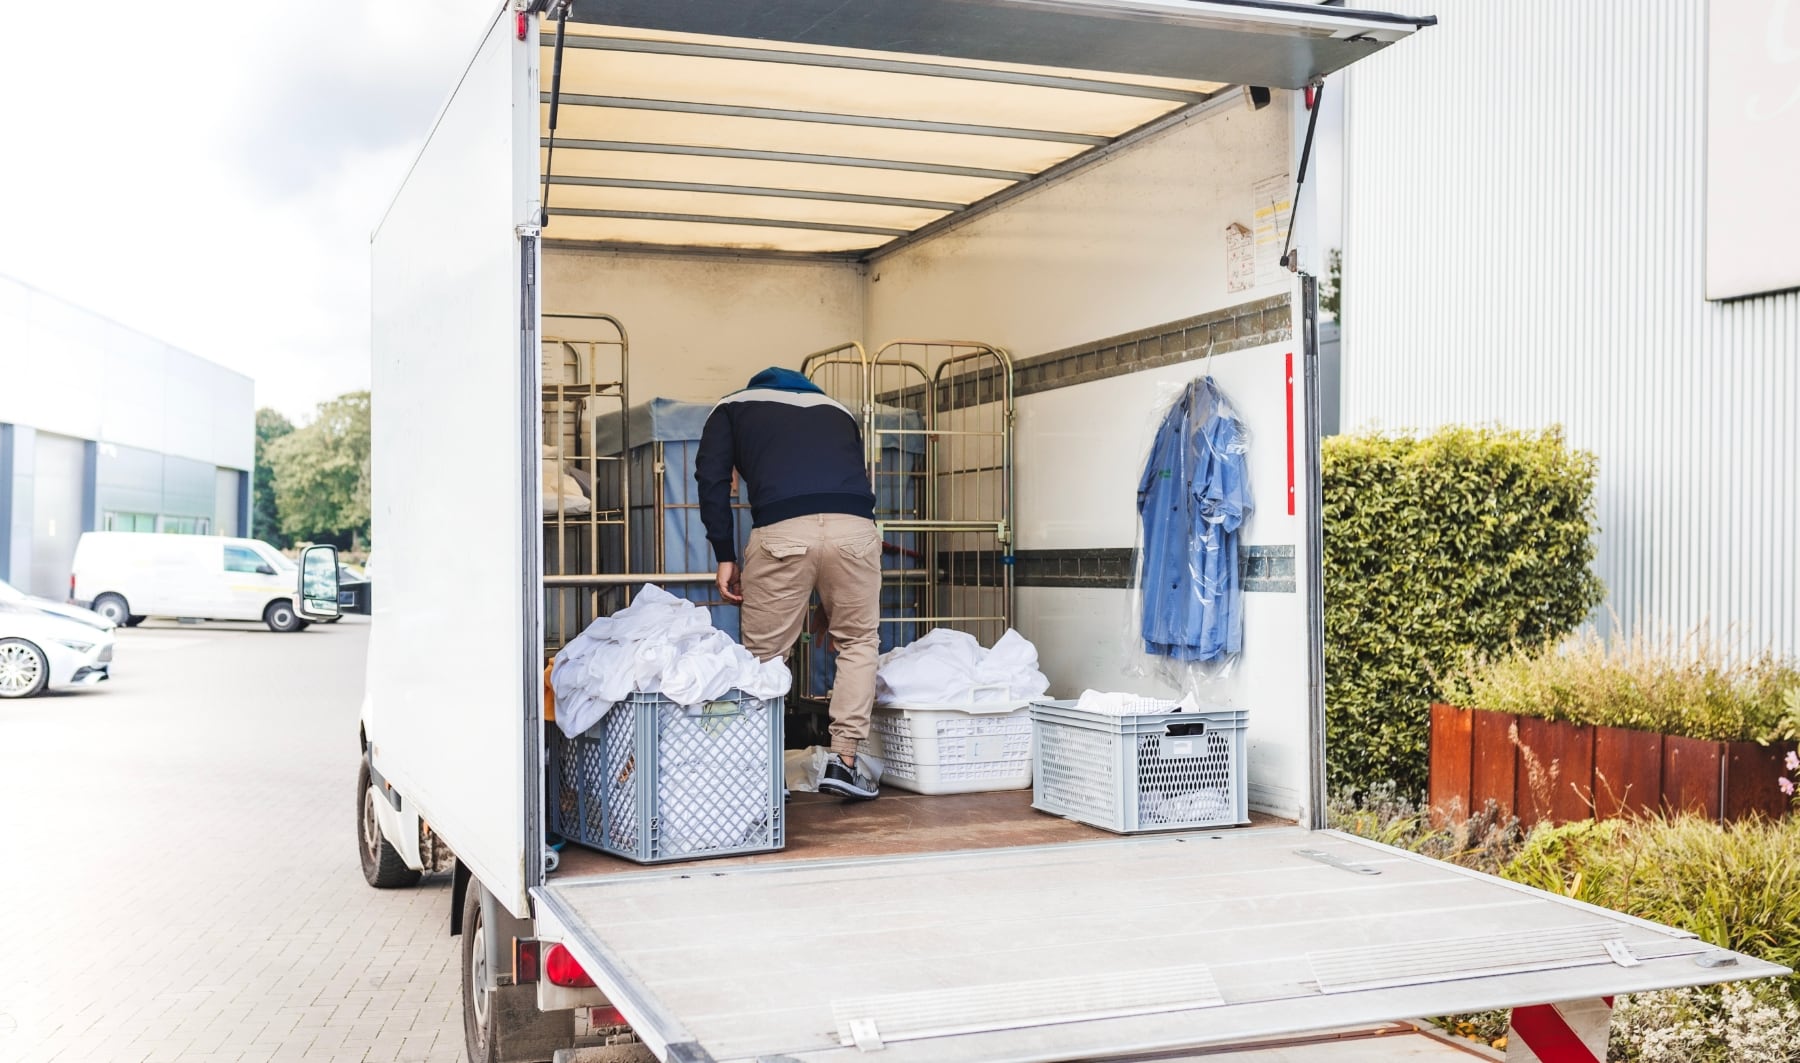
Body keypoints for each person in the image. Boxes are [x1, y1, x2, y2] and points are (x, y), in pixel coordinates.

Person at [696, 367, 882, 800]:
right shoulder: (838, 411)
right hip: (855, 531)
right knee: (857, 642)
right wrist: (826, 590)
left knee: (764, 657)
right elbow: (841, 487)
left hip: (781, 531)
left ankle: (758, 774)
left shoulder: (731, 407)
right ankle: (845, 762)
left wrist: (724, 553)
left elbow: (712, 480)